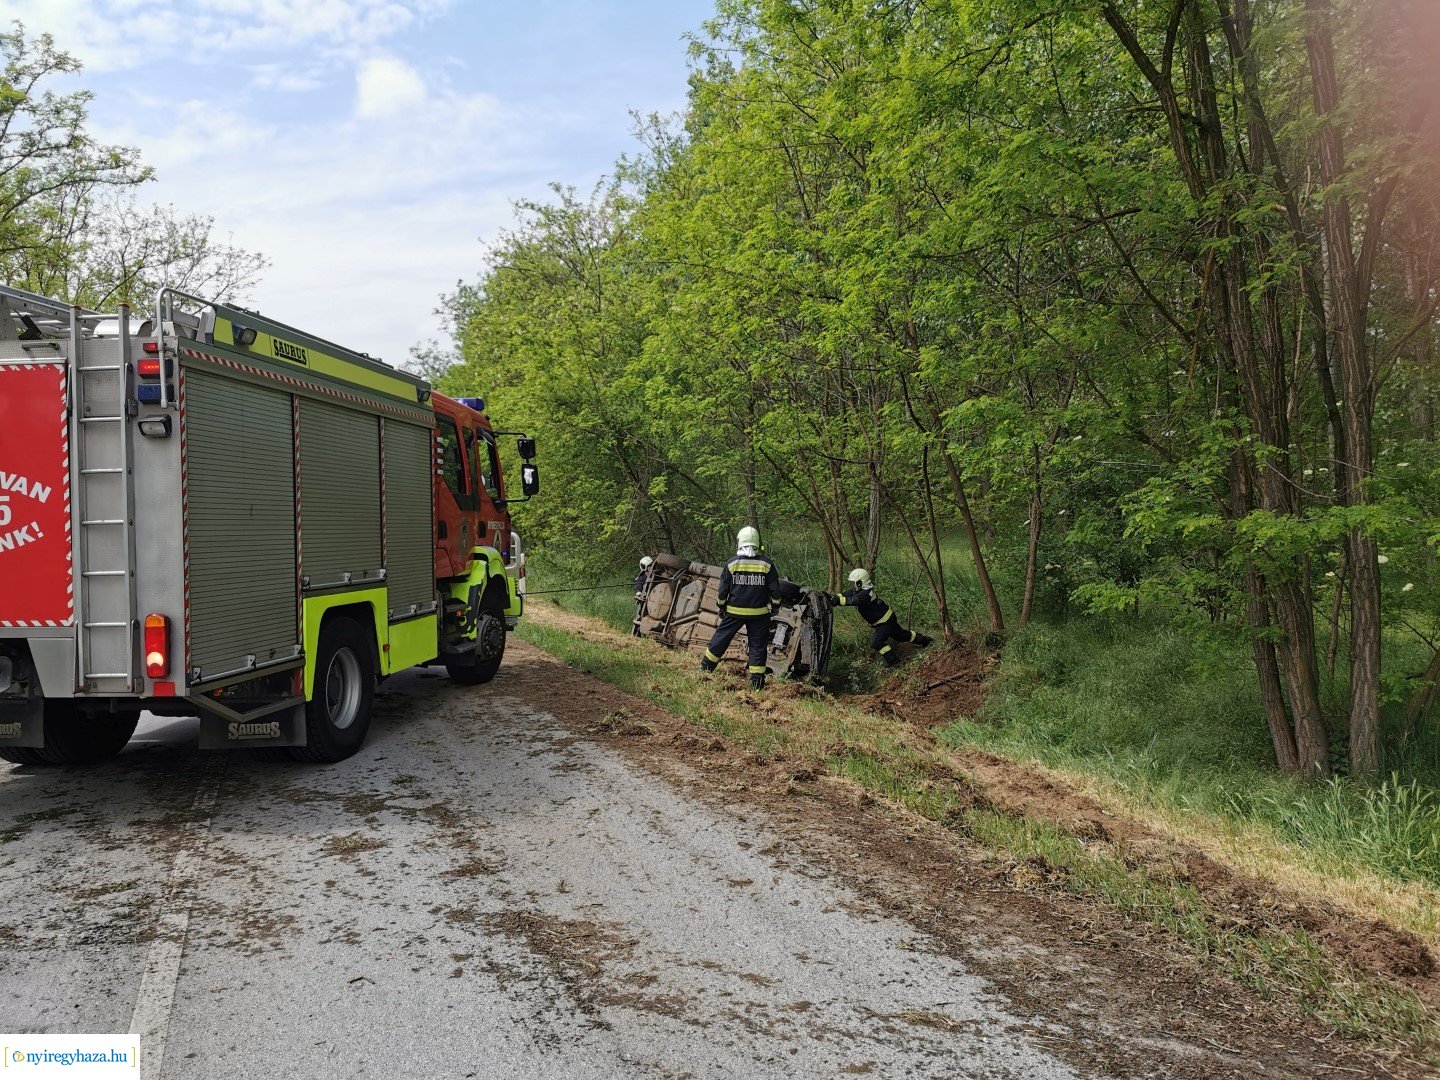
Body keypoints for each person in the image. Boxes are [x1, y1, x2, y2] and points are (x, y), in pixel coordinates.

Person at [699, 526, 780, 690]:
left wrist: (721, 606)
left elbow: (722, 590)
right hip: (759, 614)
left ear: (740, 542)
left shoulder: (732, 563)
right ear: (757, 543)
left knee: (721, 638)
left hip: (734, 611)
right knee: (758, 645)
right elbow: (775, 591)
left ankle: (706, 668)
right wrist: (775, 607)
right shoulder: (767, 564)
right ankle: (757, 683)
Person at [829, 568, 933, 667]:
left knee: (877, 643)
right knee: (901, 636)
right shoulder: (862, 590)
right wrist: (836, 596)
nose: (852, 585)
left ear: (860, 582)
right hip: (888, 619)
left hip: (885, 622)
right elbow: (849, 593)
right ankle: (925, 640)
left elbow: (855, 601)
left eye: (854, 583)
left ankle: (894, 662)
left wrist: (838, 601)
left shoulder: (866, 594)